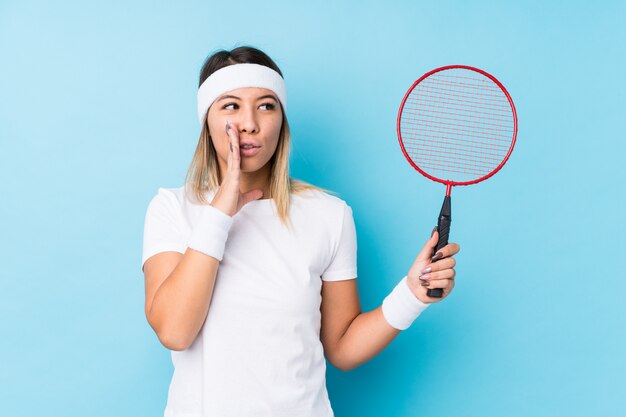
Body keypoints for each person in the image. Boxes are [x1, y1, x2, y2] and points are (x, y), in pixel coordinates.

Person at [141, 45, 460, 417]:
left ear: (281, 120)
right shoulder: (172, 208)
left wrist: (413, 294)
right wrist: (220, 211)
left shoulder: (329, 215)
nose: (249, 123)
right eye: (230, 106)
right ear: (206, 120)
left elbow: (341, 347)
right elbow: (175, 331)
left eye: (266, 105)